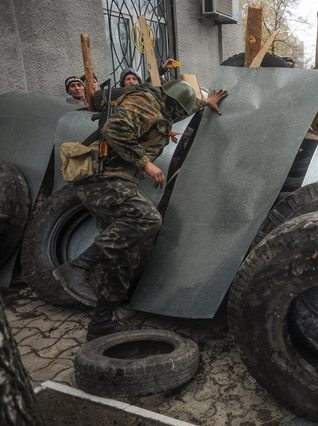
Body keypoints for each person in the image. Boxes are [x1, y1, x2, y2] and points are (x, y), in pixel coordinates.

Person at [52, 80, 228, 341]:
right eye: (179, 110)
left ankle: (100, 323)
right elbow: (115, 129)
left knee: (122, 256)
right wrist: (147, 165)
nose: (179, 115)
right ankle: (78, 266)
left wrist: (206, 103)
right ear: (170, 102)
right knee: (146, 218)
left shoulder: (164, 107)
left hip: (115, 180)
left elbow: (184, 109)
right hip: (103, 178)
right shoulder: (145, 102)